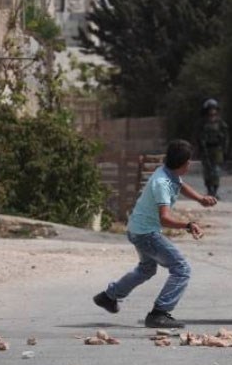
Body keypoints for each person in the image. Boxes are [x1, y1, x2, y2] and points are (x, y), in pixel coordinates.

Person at [93, 140, 217, 328]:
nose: (190, 164)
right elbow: (165, 219)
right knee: (181, 268)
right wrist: (188, 225)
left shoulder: (168, 172)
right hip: (146, 234)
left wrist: (201, 199)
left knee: (146, 269)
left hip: (137, 229)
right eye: (188, 161)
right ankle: (159, 313)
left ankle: (108, 297)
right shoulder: (162, 183)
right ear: (182, 163)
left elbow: (181, 185)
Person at [197, 99, 229, 198]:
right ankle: (209, 190)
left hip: (217, 149)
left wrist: (225, 150)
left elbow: (226, 137)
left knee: (216, 170)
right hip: (206, 150)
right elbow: (198, 137)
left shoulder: (221, 123)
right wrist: (200, 149)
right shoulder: (202, 123)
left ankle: (214, 191)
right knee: (207, 171)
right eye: (210, 109)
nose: (212, 111)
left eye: (214, 109)